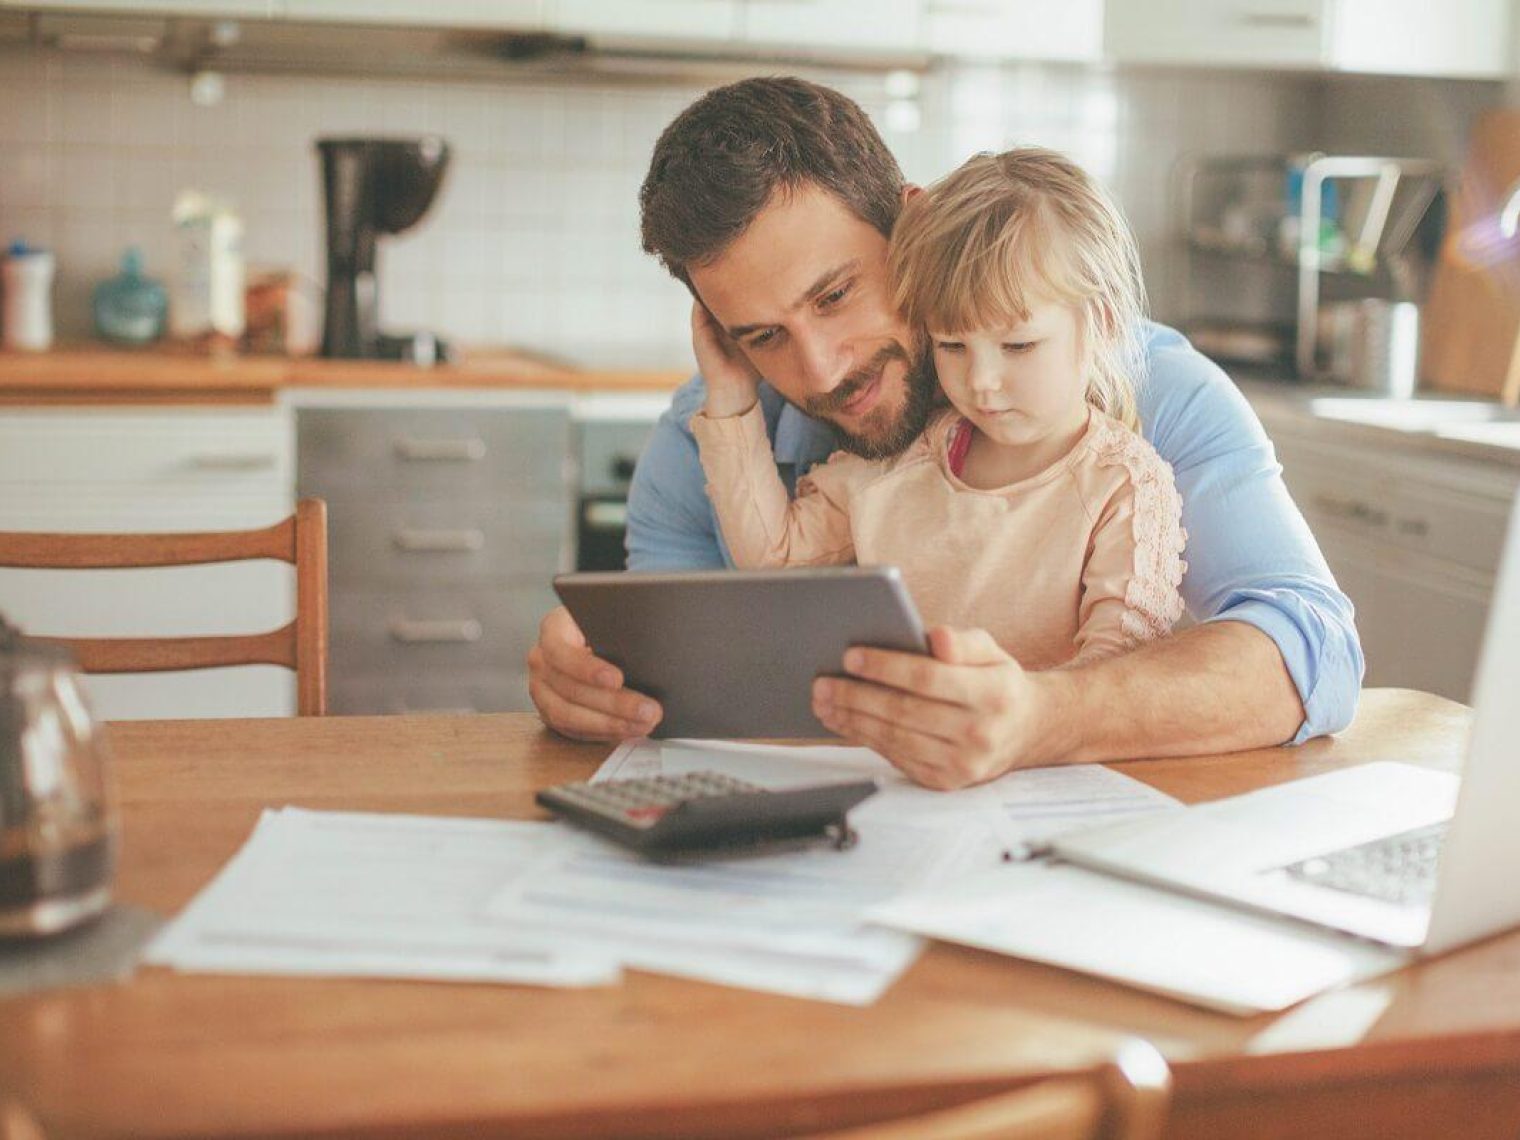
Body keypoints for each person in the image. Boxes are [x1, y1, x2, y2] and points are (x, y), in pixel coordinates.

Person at [527, 77, 1363, 789]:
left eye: (834, 296)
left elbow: (1313, 650)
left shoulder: (1145, 390)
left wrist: (1046, 716)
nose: (820, 371)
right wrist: (595, 683)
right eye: (762, 336)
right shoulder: (701, 440)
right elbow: (680, 697)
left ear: (914, 226)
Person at [690, 147, 1187, 692]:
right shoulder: (900, 463)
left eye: (1018, 345)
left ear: (1104, 323)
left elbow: (1115, 672)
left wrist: (1010, 723)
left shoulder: (1124, 485)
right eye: (952, 345)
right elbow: (774, 559)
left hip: (1047, 766)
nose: (981, 381)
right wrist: (732, 393)